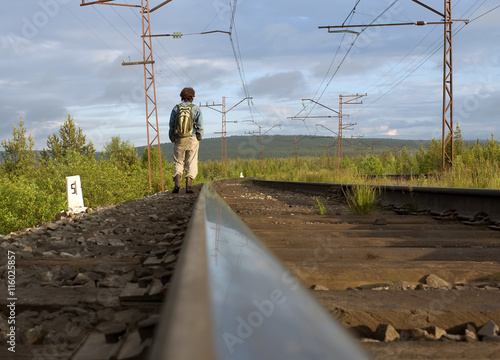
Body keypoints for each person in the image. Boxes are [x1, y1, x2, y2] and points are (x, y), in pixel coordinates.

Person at [169, 87, 204, 194]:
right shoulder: (196, 108)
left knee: (178, 161)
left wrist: (172, 137)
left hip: (180, 139)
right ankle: (188, 187)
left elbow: (171, 125)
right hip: (192, 138)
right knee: (191, 162)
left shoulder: (176, 108)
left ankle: (177, 185)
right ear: (192, 96)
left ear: (182, 96)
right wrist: (199, 137)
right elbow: (200, 126)